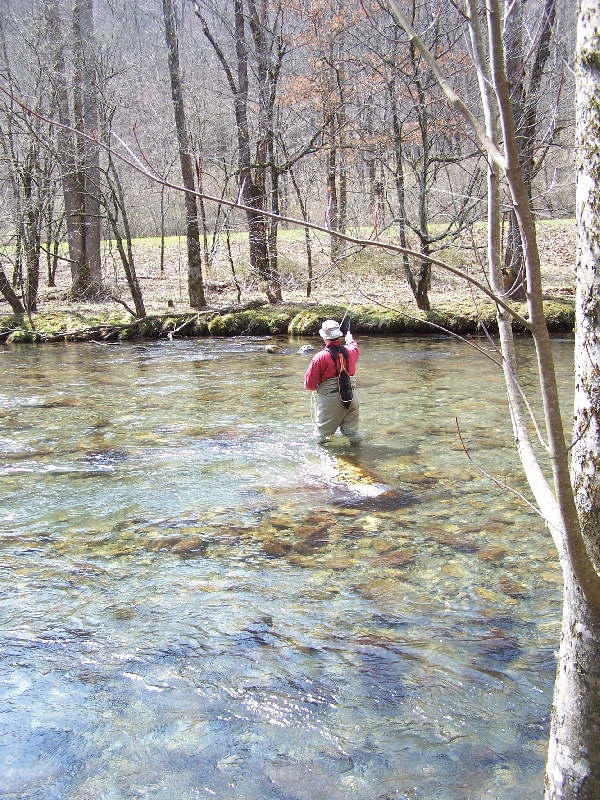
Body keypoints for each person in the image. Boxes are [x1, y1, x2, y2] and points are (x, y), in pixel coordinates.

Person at [304, 319, 362, 445]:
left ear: (324, 337)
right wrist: (349, 339)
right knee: (353, 435)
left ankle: (324, 463)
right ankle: (356, 458)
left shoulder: (320, 357)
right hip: (352, 398)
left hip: (331, 400)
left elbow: (309, 385)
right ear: (339, 335)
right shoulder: (351, 352)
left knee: (321, 438)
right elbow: (354, 347)